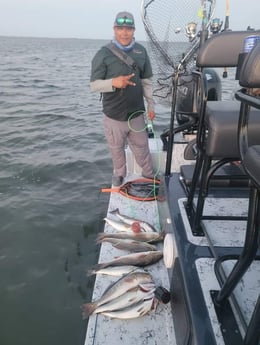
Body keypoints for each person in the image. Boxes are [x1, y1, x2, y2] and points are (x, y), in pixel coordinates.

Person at [90, 11, 156, 186]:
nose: (124, 33)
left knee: (142, 148)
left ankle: (149, 176)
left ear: (134, 30)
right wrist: (114, 82)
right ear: (114, 29)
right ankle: (119, 175)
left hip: (136, 113)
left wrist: (151, 105)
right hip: (113, 115)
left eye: (128, 29)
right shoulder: (103, 54)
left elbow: (146, 82)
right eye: (120, 28)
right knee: (116, 150)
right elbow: (94, 85)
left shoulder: (141, 51)